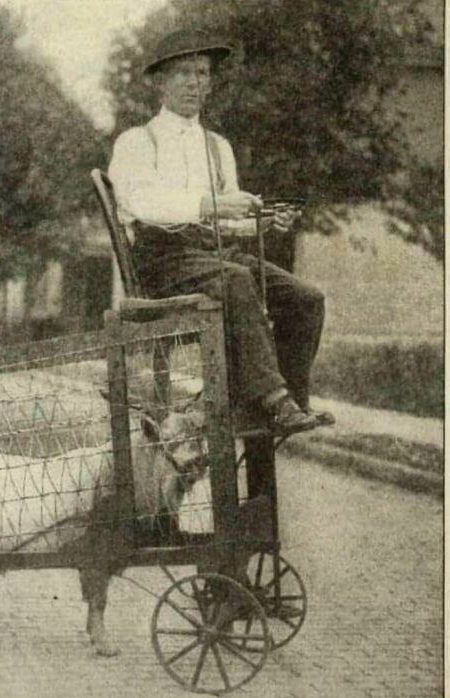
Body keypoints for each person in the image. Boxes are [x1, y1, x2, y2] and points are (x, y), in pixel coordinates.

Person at [108, 28, 334, 433]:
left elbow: (226, 221)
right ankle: (273, 400)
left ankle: (289, 403)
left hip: (214, 256)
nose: (195, 83)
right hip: (163, 261)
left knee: (305, 298)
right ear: (159, 82)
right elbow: (142, 203)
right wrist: (211, 204)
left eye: (203, 73)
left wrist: (260, 222)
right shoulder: (137, 143)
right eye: (183, 73)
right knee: (238, 279)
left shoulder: (218, 147)